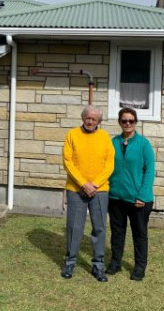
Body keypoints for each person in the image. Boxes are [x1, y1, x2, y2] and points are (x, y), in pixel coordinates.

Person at [61, 105, 115, 281]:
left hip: (100, 191)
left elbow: (109, 164)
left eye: (94, 118)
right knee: (74, 227)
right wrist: (83, 184)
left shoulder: (105, 137)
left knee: (99, 227)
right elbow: (68, 161)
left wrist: (95, 184)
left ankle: (98, 265)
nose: (90, 121)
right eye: (87, 117)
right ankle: (70, 263)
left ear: (99, 121)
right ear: (83, 118)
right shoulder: (72, 135)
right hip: (76, 189)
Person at [106, 107, 155, 281]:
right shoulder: (113, 142)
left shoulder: (143, 144)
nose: (128, 123)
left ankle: (139, 267)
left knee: (139, 234)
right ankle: (115, 263)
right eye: (124, 121)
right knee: (117, 232)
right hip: (116, 197)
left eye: (131, 121)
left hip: (138, 199)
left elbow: (149, 171)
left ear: (135, 123)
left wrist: (142, 195)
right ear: (119, 122)